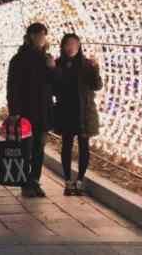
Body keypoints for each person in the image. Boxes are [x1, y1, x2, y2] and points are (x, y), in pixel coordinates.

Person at [7, 22, 55, 198]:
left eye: (43, 34)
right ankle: (26, 183)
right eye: (37, 34)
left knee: (39, 149)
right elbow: (12, 87)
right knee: (26, 149)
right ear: (30, 37)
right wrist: (14, 112)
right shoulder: (19, 59)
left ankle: (35, 180)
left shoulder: (47, 59)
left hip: (43, 111)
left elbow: (54, 84)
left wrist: (52, 68)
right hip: (26, 112)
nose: (41, 38)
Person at [53, 33, 102, 196]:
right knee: (66, 146)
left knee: (84, 147)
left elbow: (97, 86)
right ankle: (68, 181)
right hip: (66, 111)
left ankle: (80, 180)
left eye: (74, 43)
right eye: (68, 44)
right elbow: (53, 88)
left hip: (85, 112)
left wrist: (96, 69)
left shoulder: (87, 64)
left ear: (79, 45)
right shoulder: (57, 64)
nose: (71, 47)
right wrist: (53, 70)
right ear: (63, 46)